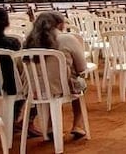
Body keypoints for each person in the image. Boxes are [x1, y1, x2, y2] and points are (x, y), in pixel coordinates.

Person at [23, 11, 88, 139]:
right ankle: (77, 124)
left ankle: (50, 126)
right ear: (59, 25)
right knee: (79, 83)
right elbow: (82, 67)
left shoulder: (27, 43)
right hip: (61, 88)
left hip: (34, 90)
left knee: (47, 85)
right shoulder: (67, 39)